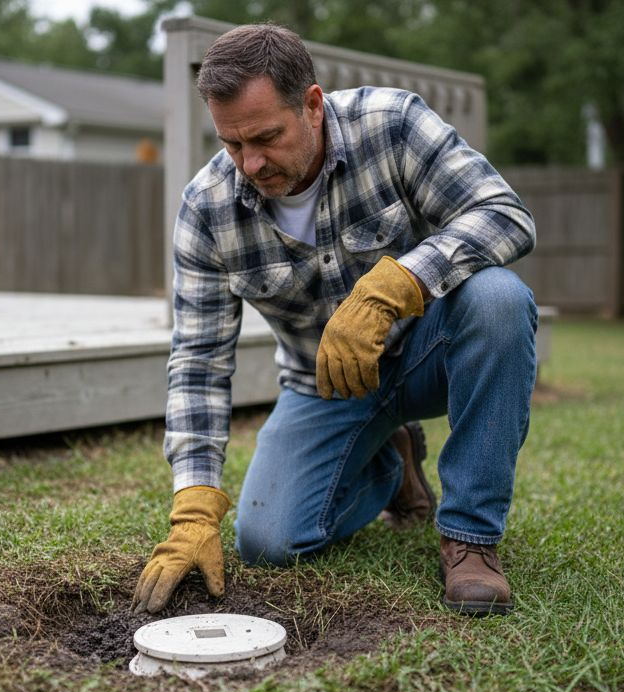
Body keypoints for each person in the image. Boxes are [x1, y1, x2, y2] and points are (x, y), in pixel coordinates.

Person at [133, 23, 538, 617]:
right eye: (232, 144)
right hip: (325, 385)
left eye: (266, 137)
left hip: (431, 352)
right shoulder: (206, 208)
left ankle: (471, 539)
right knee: (268, 543)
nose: (250, 162)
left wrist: (398, 283)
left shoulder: (393, 125)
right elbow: (198, 361)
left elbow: (505, 214)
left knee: (500, 299)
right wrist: (194, 504)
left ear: (313, 106)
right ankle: (388, 465)